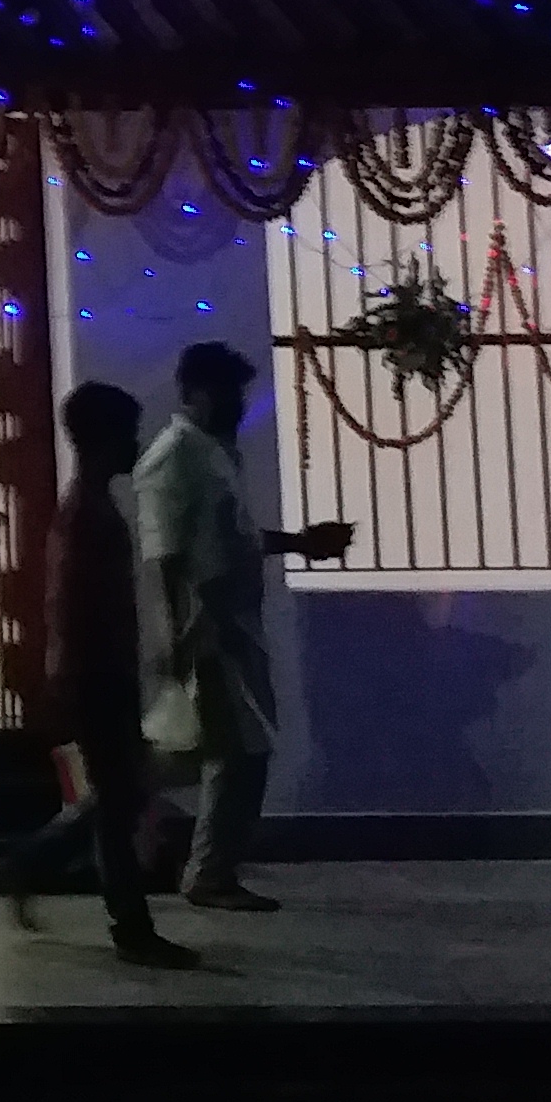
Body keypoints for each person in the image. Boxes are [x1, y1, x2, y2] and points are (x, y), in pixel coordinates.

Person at [132, 341, 350, 912]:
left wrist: (302, 543)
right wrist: (174, 630)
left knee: (217, 751)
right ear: (197, 392)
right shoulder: (173, 456)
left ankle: (201, 866)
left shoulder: (213, 451)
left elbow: (233, 539)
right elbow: (166, 555)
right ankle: (202, 870)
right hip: (205, 624)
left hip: (229, 623)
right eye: (229, 392)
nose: (238, 403)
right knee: (229, 752)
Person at [0, 379, 199, 967]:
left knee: (118, 796)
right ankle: (129, 925)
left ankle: (28, 866)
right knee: (118, 802)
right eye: (129, 434)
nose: (136, 445)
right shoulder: (88, 515)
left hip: (100, 675)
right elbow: (74, 607)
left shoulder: (91, 506)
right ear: (107, 439)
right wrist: (78, 679)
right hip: (97, 678)